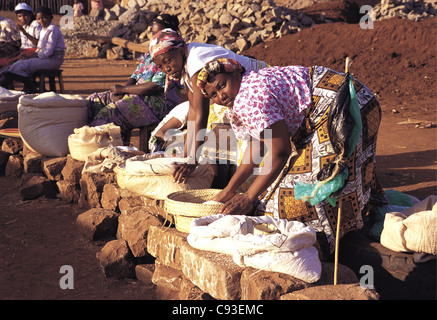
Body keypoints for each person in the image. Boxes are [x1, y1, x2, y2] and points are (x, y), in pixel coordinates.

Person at [195, 58, 386, 259]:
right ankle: (353, 221)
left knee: (310, 192)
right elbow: (255, 148)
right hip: (322, 112)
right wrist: (229, 191)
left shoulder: (251, 96)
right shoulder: (238, 104)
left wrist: (248, 197)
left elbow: (280, 151)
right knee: (276, 196)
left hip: (347, 106)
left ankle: (329, 242)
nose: (221, 95)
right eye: (213, 95)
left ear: (236, 74)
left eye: (222, 85)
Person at [148, 29, 269, 184]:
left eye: (167, 61)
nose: (167, 69)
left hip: (258, 85)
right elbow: (192, 111)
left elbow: (200, 114)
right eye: (161, 66)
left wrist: (192, 160)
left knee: (253, 150)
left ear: (179, 50)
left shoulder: (196, 60)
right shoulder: (187, 62)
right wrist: (186, 158)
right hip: (239, 93)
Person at [86, 14, 181, 143]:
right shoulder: (153, 50)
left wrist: (124, 90)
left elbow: (155, 87)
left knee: (108, 113)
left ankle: (108, 148)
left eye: (158, 33)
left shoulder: (171, 51)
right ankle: (118, 141)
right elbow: (136, 74)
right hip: (137, 93)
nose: (154, 37)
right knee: (93, 101)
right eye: (154, 34)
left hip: (159, 101)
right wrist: (121, 92)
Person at [0, 6, 65, 93]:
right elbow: (40, 47)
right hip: (45, 58)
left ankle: (30, 87)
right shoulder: (44, 29)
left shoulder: (52, 29)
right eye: (39, 19)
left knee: (23, 65)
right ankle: (28, 86)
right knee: (18, 64)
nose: (41, 20)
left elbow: (48, 51)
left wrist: (35, 55)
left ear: (51, 17)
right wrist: (33, 55)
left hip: (53, 60)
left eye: (44, 17)